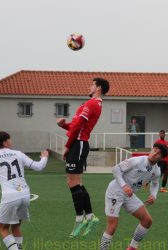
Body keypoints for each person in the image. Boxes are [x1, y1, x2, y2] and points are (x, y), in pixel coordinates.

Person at [56, 77, 110, 238]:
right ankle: (88, 217)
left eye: (92, 84)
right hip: (79, 143)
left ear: (98, 88)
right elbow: (76, 126)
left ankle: (82, 217)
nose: (90, 86)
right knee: (76, 183)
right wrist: (63, 125)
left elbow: (79, 127)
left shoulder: (92, 104)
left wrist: (67, 146)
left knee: (73, 183)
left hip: (78, 144)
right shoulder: (93, 104)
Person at [0, 131, 49, 250]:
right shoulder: (18, 154)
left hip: (10, 197)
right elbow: (39, 167)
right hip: (25, 195)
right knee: (16, 226)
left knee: (2, 228)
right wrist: (44, 158)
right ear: (5, 142)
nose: (11, 141)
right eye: (9, 139)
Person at [99, 143, 168, 250]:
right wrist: (124, 186)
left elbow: (155, 183)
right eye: (155, 150)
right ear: (151, 150)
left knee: (147, 221)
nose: (155, 153)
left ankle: (132, 248)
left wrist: (153, 195)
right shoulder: (137, 161)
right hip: (115, 192)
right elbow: (116, 170)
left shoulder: (156, 171)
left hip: (129, 195)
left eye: (158, 153)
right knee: (112, 227)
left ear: (161, 158)